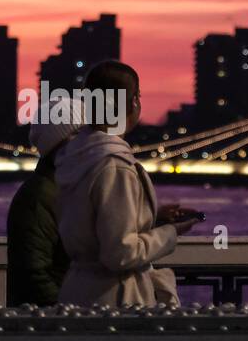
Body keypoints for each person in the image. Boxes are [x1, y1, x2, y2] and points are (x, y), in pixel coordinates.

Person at [55, 60, 199, 306]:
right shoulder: (114, 165)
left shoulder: (75, 156)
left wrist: (151, 218)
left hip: (77, 293)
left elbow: (95, 228)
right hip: (115, 301)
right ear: (133, 103)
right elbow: (120, 254)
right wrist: (169, 233)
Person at [5, 117, 79, 305]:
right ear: (62, 144)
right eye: (80, 134)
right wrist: (67, 315)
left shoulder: (65, 189)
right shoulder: (39, 196)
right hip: (53, 323)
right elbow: (33, 274)